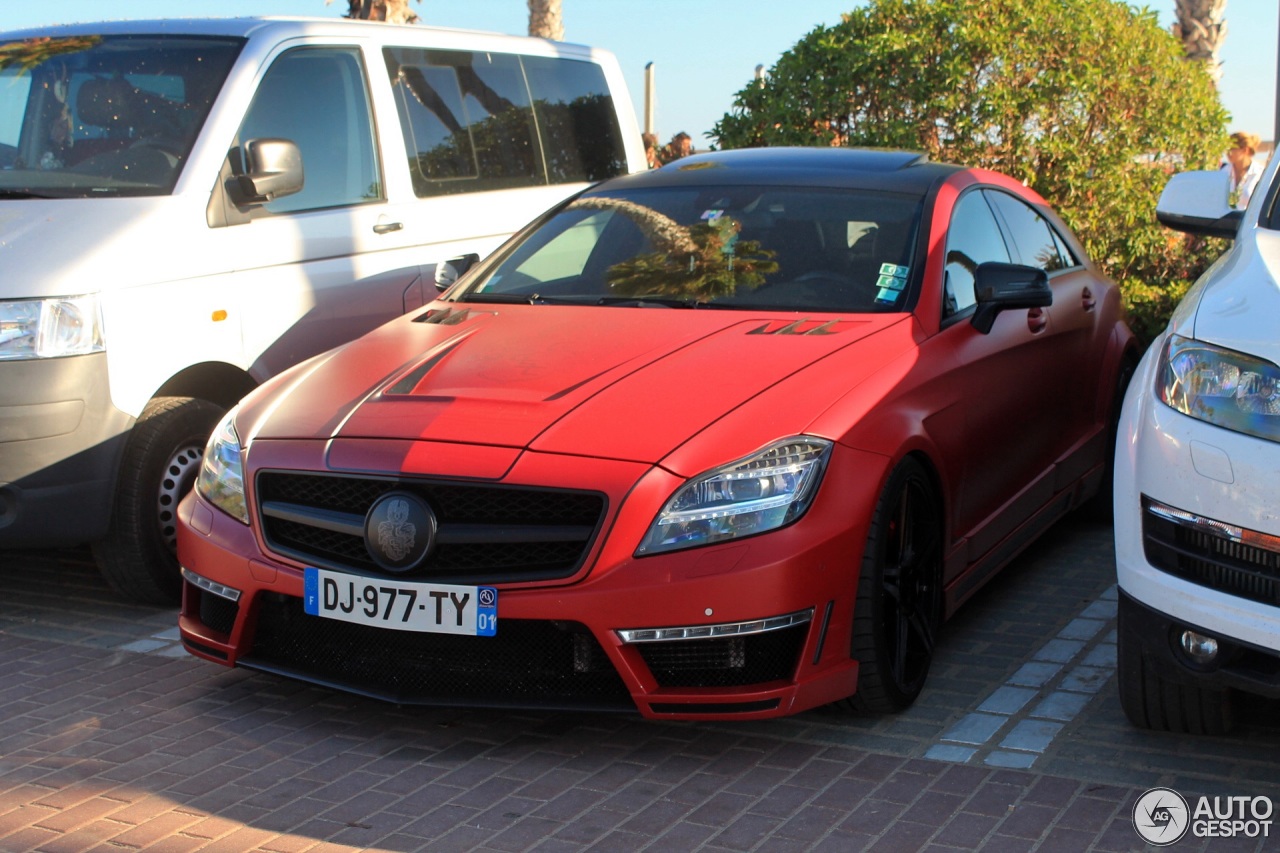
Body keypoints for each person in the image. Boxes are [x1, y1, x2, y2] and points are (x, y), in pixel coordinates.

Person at [1222, 131, 1264, 210]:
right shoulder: (1223, 172)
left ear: (1245, 150)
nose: (1228, 152)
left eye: (1232, 148)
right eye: (1227, 148)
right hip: (1226, 220)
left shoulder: (1260, 174)